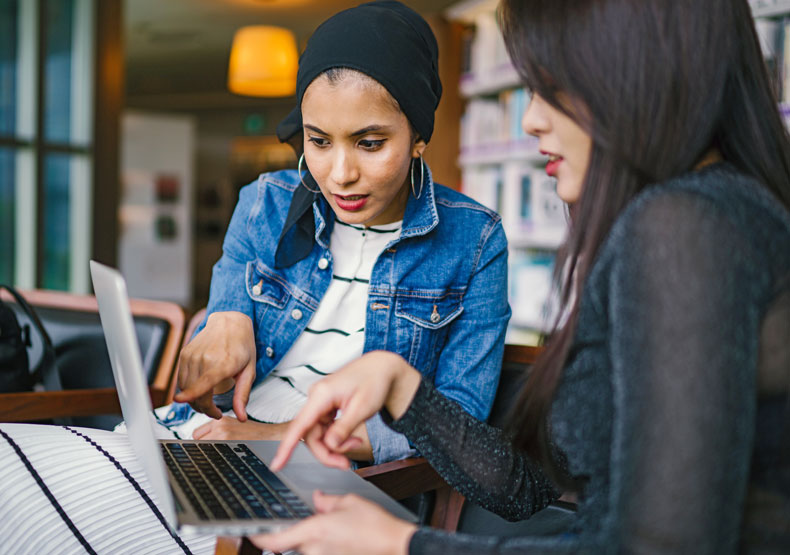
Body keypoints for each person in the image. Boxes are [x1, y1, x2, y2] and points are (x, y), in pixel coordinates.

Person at [252, 0, 790, 553]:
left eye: (551, 87)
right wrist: (403, 388)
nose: (531, 119)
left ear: (639, 70)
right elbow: (524, 489)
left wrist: (402, 545)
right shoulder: (710, 214)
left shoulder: (685, 227)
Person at [0, 2, 510, 553]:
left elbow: (457, 428)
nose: (340, 174)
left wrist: (274, 439)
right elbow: (223, 318)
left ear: (418, 137)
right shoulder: (264, 201)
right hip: (198, 441)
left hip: (328, 478)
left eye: (369, 143)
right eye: (318, 141)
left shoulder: (475, 240)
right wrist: (224, 319)